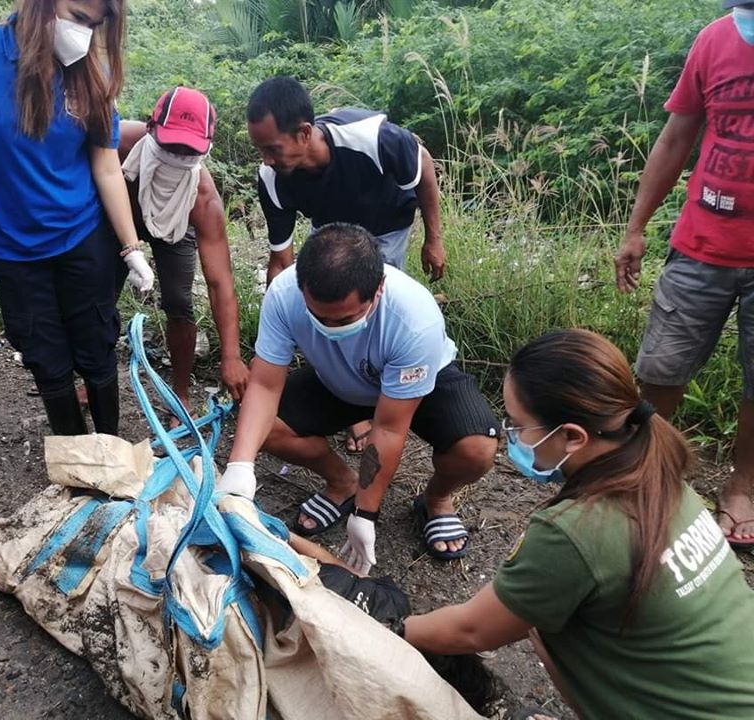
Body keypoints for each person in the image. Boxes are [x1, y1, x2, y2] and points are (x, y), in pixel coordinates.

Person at [0, 485, 499, 717]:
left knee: (85, 587)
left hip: (200, 609)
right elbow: (303, 555)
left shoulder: (346, 694)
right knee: (127, 519)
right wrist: (254, 525)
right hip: (226, 566)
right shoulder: (386, 604)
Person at [402, 329, 754, 719]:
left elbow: (470, 631)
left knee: (539, 619)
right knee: (543, 618)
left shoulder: (577, 530)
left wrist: (394, 627)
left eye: (518, 426)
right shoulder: (659, 470)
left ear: (572, 436)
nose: (511, 438)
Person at [0, 0, 153, 437]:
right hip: (11, 246)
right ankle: (75, 455)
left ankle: (109, 447)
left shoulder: (89, 72)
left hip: (83, 237)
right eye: (79, 18)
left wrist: (131, 247)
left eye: (94, 26)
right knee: (45, 356)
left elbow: (105, 166)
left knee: (96, 346)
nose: (83, 34)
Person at [217, 223, 499, 573]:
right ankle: (342, 482)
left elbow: (389, 428)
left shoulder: (414, 319)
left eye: (345, 319)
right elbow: (265, 385)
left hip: (417, 384)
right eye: (318, 316)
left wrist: (366, 513)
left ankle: (436, 499)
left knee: (476, 448)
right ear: (302, 287)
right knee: (268, 428)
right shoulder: (284, 294)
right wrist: (240, 466)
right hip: (336, 379)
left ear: (378, 290)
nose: (330, 328)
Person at [614, 1, 754, 550]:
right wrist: (635, 227)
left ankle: (743, 486)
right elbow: (676, 139)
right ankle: (646, 472)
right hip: (702, 245)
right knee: (662, 367)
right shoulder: (715, 40)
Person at [247, 76, 445, 453]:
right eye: (260, 150)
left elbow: (424, 168)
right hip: (331, 236)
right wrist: (280, 304)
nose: (266, 160)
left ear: (305, 133)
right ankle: (354, 409)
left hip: (387, 231)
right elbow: (281, 256)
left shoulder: (374, 139)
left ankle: (387, 404)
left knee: (369, 314)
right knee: (327, 307)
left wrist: (433, 238)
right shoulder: (273, 177)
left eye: (272, 148)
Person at [113, 87, 250, 414]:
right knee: (99, 293)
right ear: (150, 126)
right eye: (170, 145)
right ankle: (93, 379)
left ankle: (181, 393)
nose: (177, 156)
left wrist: (230, 356)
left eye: (188, 151)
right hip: (120, 219)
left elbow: (220, 282)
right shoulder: (118, 144)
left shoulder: (202, 198)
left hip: (176, 226)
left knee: (178, 301)